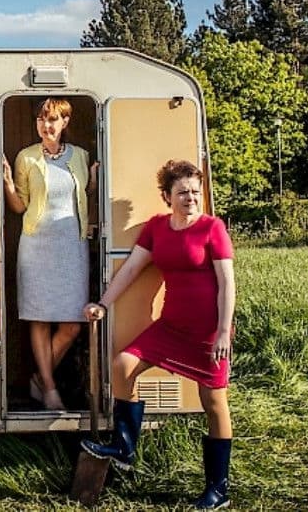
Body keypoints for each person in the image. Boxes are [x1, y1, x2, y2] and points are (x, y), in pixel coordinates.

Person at [82, 160, 235, 511]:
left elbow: (227, 283)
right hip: (170, 328)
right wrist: (102, 304)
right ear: (167, 196)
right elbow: (133, 269)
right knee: (122, 365)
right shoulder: (156, 228)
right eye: (182, 192)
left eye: (196, 192)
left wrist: (224, 332)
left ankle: (218, 489)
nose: (191, 198)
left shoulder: (213, 228)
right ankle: (125, 446)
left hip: (208, 332)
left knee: (214, 405)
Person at [3, 98, 98, 411]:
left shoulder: (81, 157)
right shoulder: (27, 157)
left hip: (72, 246)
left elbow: (84, 197)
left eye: (53, 119)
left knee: (72, 323)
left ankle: (39, 379)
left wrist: (94, 184)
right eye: (42, 120)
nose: (46, 125)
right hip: (36, 245)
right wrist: (7, 185)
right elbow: (20, 206)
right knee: (39, 319)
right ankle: (51, 388)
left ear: (65, 122)